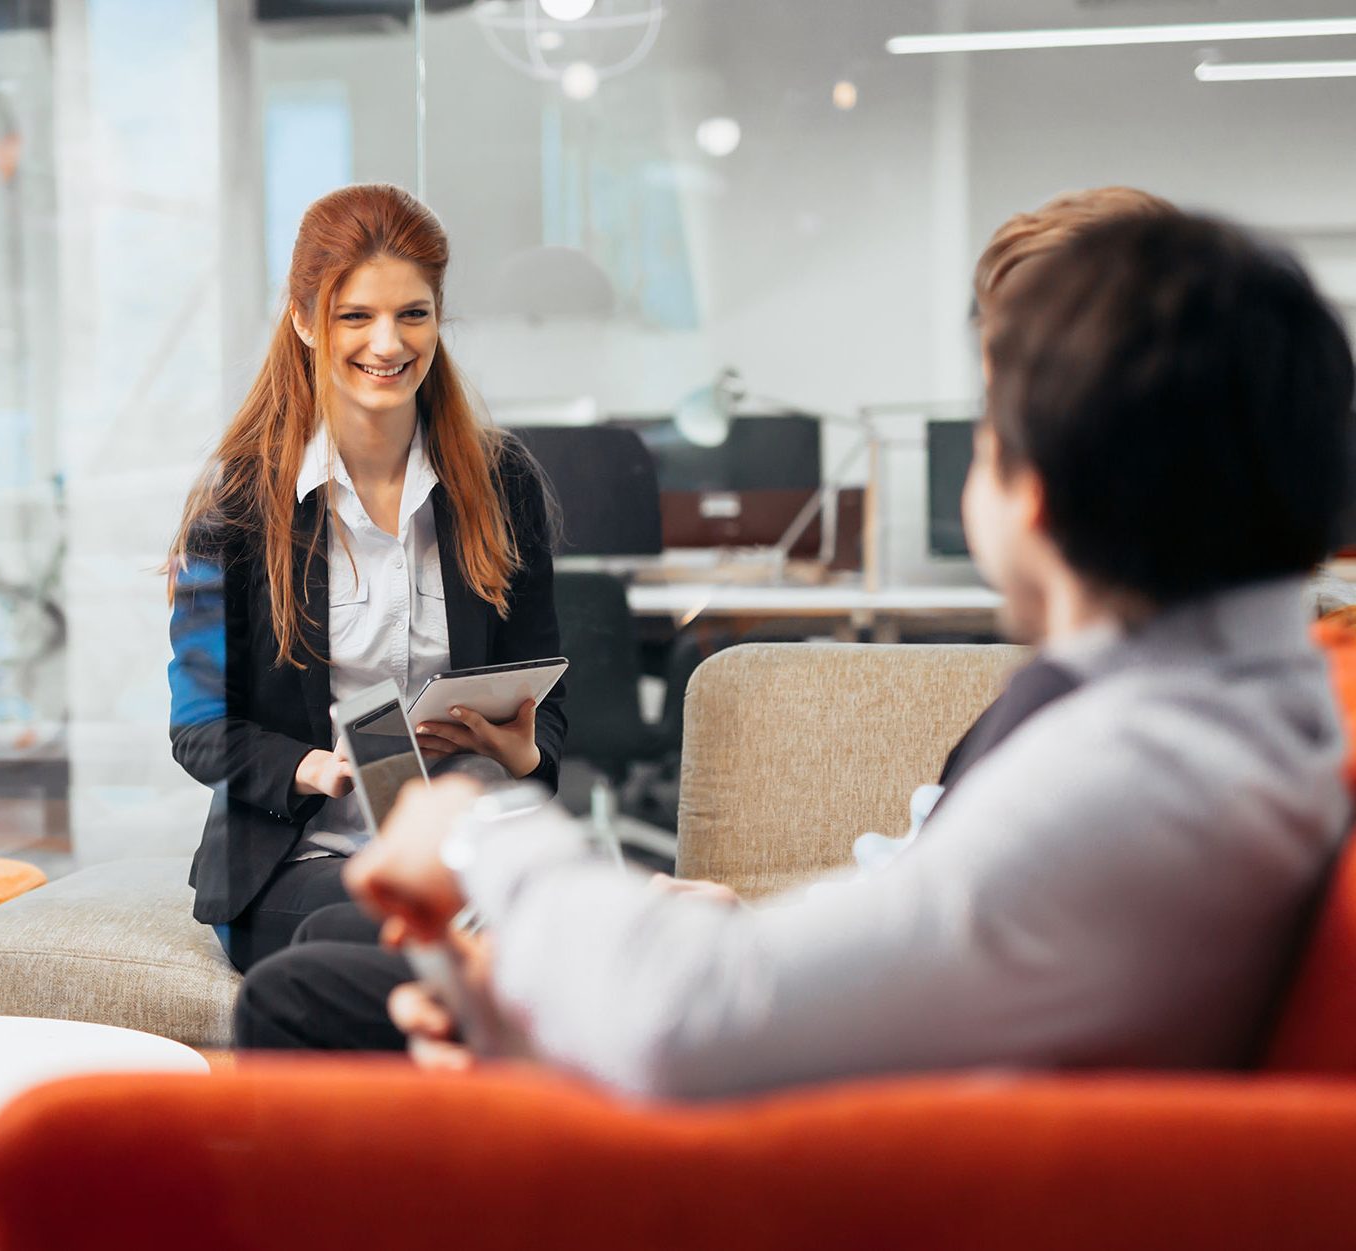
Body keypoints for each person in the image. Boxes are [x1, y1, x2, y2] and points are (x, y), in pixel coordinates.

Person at [347, 211, 1355, 1098]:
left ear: (1030, 490)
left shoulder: (1139, 775)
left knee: (318, 1001)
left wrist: (481, 834)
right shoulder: (1248, 716)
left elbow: (686, 1020)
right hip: (865, 1104)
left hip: (835, 1169)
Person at [231, 185, 1182, 1050]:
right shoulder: (1119, 703)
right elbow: (920, 911)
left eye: (994, 419)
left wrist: (483, 835)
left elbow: (791, 995)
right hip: (322, 842)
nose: (386, 342)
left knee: (305, 992)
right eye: (354, 315)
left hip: (794, 1049)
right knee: (324, 966)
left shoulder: (1111, 743)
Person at [167, 183, 565, 974]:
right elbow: (200, 726)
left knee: (523, 921)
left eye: (412, 314)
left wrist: (517, 750)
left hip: (464, 847)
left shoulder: (501, 482)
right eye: (357, 316)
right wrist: (317, 766)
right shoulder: (243, 505)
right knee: (407, 936)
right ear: (306, 319)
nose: (388, 344)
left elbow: (550, 713)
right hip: (299, 861)